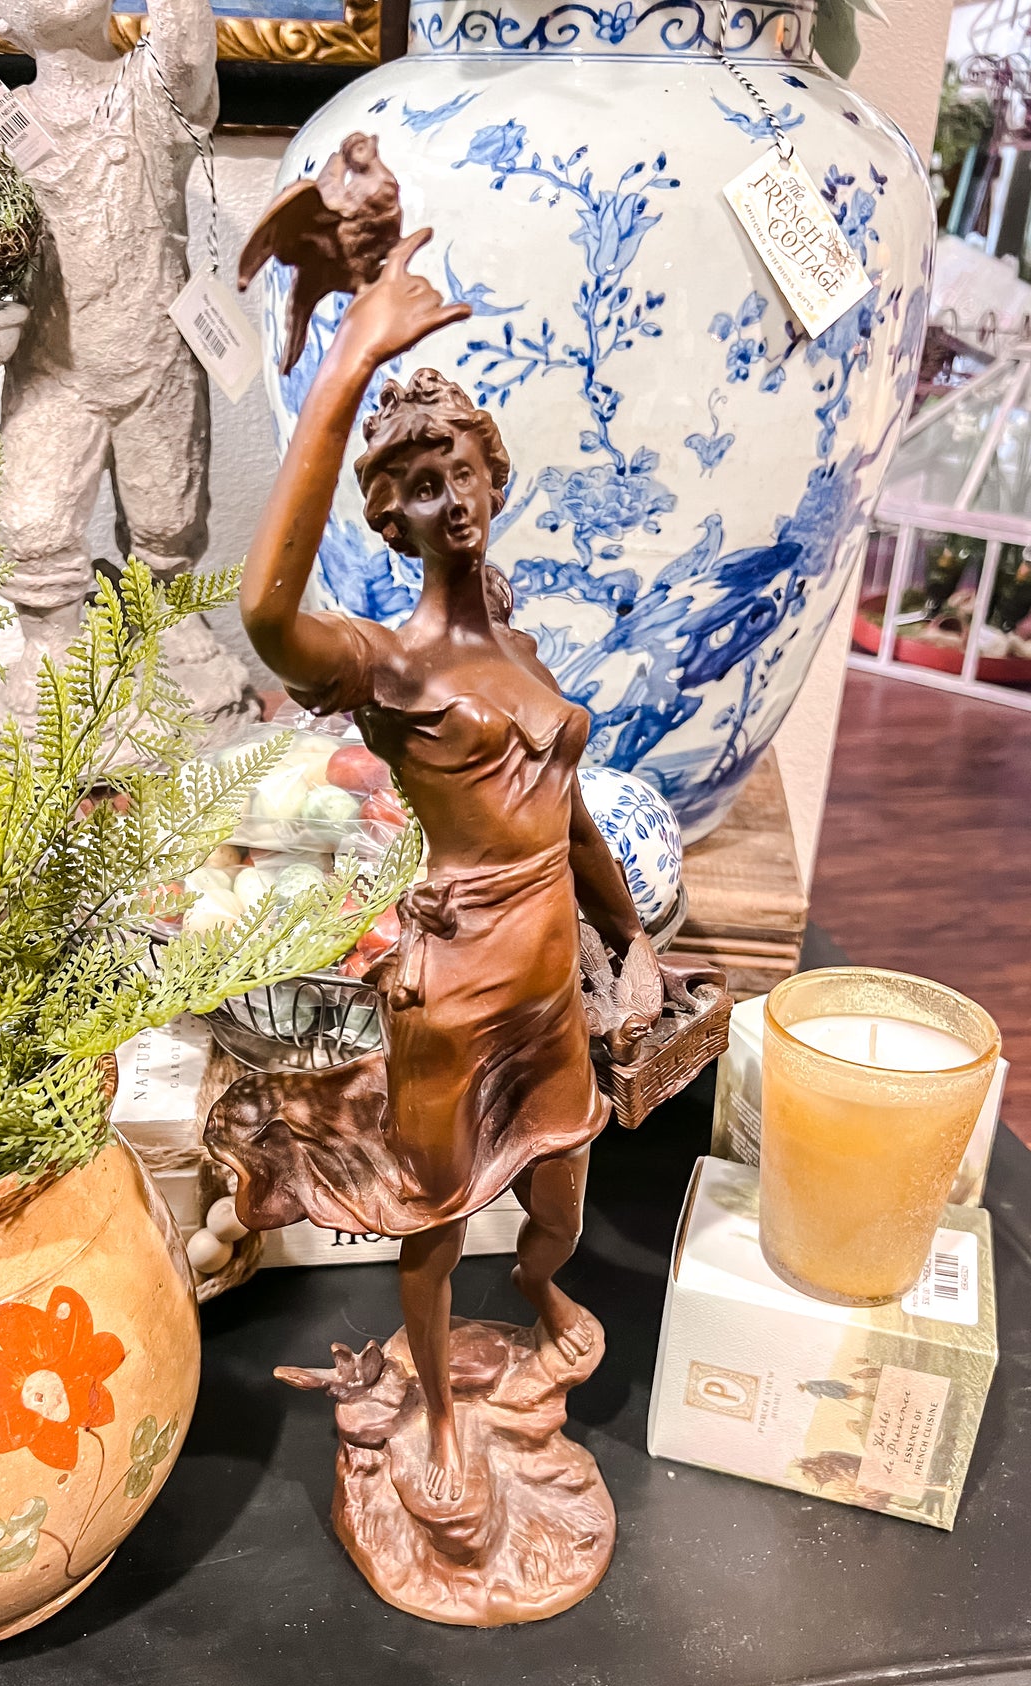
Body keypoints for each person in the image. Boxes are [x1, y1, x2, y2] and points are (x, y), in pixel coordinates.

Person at [207, 232, 670, 1504]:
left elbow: (569, 820)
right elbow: (260, 613)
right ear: (389, 518)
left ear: (488, 477)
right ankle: (437, 1420)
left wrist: (630, 937)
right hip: (456, 975)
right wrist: (349, 362)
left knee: (564, 1183)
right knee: (435, 1214)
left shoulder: (517, 649)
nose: (446, 500)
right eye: (414, 487)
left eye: (458, 470)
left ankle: (536, 1293)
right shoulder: (385, 670)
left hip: (546, 975)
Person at [0, 0, 245, 725]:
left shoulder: (148, 96)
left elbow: (183, 53)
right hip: (54, 366)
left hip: (156, 352)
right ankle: (51, 650)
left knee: (168, 515)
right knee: (35, 525)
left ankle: (166, 621)